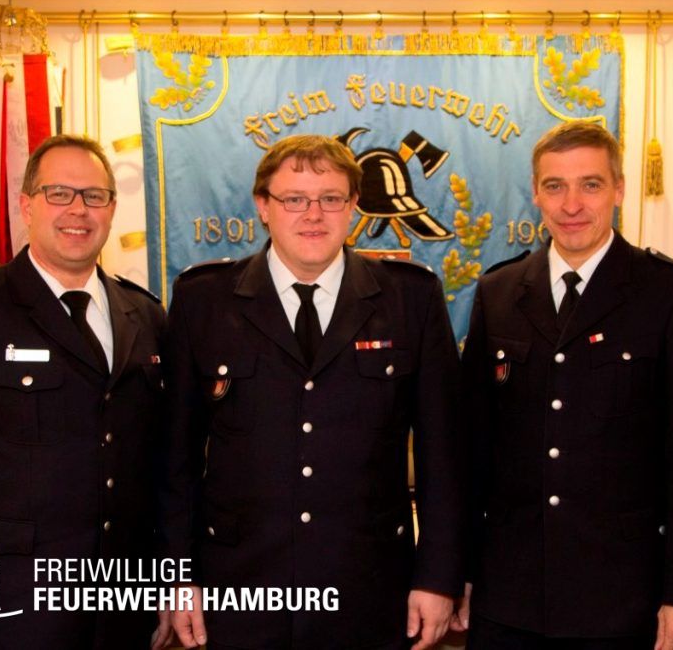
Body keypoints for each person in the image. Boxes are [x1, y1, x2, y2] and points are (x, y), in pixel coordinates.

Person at [161, 134, 464, 650]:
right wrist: (173, 576)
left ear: (353, 208)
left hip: (368, 587)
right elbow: (174, 459)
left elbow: (444, 454)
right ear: (263, 207)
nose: (313, 214)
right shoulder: (203, 301)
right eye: (294, 199)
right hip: (238, 591)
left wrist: (437, 578)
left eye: (331, 198)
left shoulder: (409, 298)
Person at [0, 135, 170, 650]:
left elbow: (157, 468)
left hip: (122, 611)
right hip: (9, 608)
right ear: (26, 205)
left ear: (111, 209)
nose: (78, 211)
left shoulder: (145, 314)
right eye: (59, 193)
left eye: (94, 196)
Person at [455, 121, 673, 650]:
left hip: (622, 600)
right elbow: (472, 453)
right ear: (535, 193)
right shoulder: (499, 291)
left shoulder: (670, 294)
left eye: (591, 184)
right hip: (509, 597)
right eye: (555, 186)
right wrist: (457, 572)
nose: (571, 203)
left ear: (619, 190)